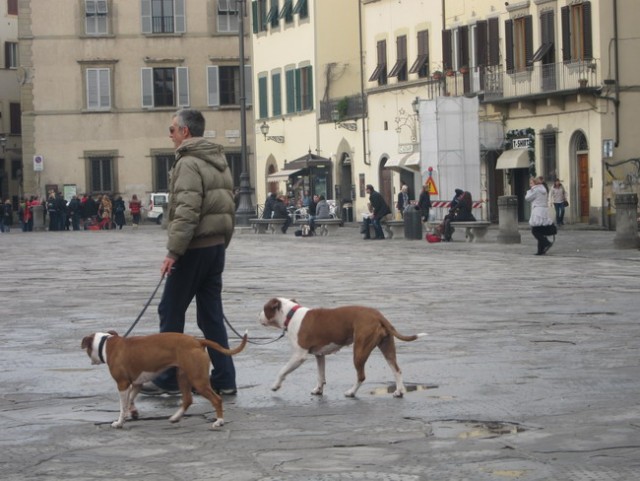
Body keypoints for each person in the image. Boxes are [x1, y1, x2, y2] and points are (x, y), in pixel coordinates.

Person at [142, 108, 237, 396]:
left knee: (170, 310)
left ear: (185, 132)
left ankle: (169, 378)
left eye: (172, 130)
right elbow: (228, 206)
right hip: (216, 247)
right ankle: (224, 378)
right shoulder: (219, 160)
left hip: (194, 248)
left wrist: (173, 251)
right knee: (210, 316)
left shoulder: (188, 163)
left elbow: (186, 211)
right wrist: (221, 242)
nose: (169, 135)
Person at [526, 176, 555, 255]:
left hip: (537, 211)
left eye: (531, 183)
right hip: (544, 211)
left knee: (535, 231)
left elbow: (527, 198)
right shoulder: (544, 188)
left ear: (535, 183)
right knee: (540, 231)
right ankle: (540, 250)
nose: (530, 185)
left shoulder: (535, 190)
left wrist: (530, 190)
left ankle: (546, 243)